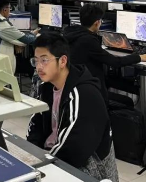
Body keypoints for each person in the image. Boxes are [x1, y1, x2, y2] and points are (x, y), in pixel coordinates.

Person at [27, 33, 119, 182]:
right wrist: (30, 155)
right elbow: (35, 126)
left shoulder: (85, 94)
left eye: (44, 60)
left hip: (87, 168)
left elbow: (74, 150)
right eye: (36, 61)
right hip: (54, 157)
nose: (39, 67)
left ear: (62, 61)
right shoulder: (46, 88)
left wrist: (42, 165)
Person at [64, 4, 146, 104]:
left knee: (117, 82)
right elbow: (115, 62)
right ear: (97, 23)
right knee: (128, 101)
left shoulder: (71, 34)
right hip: (92, 91)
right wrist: (140, 57)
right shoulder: (88, 40)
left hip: (79, 87)